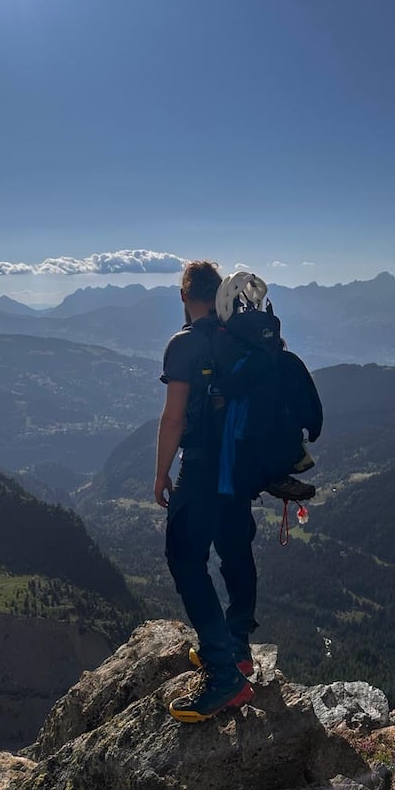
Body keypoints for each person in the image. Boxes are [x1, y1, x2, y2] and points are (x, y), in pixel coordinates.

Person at [154, 260, 257, 723]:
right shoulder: (242, 338)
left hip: (201, 470)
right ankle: (238, 650)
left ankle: (223, 673)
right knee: (235, 554)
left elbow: (174, 416)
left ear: (183, 296)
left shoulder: (186, 344)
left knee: (185, 560)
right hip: (242, 470)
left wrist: (161, 474)